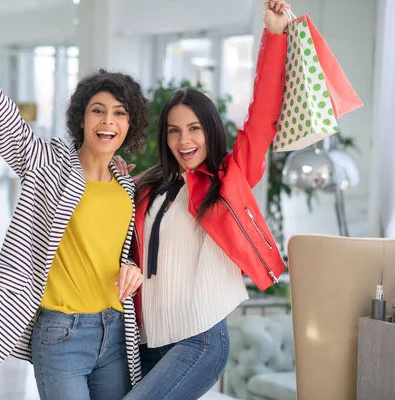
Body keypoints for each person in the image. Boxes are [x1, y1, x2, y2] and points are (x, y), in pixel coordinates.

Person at [0, 2, 147, 399]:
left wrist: (132, 267)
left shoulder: (126, 184)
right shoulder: (49, 162)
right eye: (98, 111)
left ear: (130, 125)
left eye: (119, 113)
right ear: (81, 119)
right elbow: (2, 118)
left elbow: (121, 252)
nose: (108, 121)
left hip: (115, 333)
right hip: (61, 334)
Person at [112, 1, 291, 398]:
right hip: (147, 340)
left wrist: (274, 36)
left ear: (210, 130)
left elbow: (262, 116)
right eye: (174, 131)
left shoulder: (228, 179)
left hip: (200, 339)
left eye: (194, 128)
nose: (184, 140)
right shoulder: (148, 184)